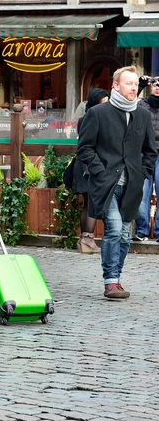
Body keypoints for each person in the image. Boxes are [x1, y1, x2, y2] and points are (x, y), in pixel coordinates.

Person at [77, 66, 157, 299]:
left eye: (135, 83)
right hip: (106, 183)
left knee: (123, 234)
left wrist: (142, 172)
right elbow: (85, 148)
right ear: (116, 86)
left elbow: (150, 151)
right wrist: (99, 172)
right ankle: (111, 281)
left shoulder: (142, 114)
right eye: (129, 83)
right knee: (113, 228)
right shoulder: (99, 113)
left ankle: (117, 278)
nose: (134, 87)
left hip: (132, 184)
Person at [69, 88, 109, 254]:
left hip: (83, 164)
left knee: (88, 202)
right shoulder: (94, 117)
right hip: (88, 166)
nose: (107, 104)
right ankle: (87, 240)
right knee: (92, 203)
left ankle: (84, 239)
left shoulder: (84, 117)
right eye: (104, 101)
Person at [134, 75, 159, 241]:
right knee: (143, 192)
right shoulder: (142, 104)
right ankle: (142, 230)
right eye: (155, 83)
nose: (158, 87)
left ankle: (158, 231)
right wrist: (141, 84)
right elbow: (128, 103)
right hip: (145, 152)